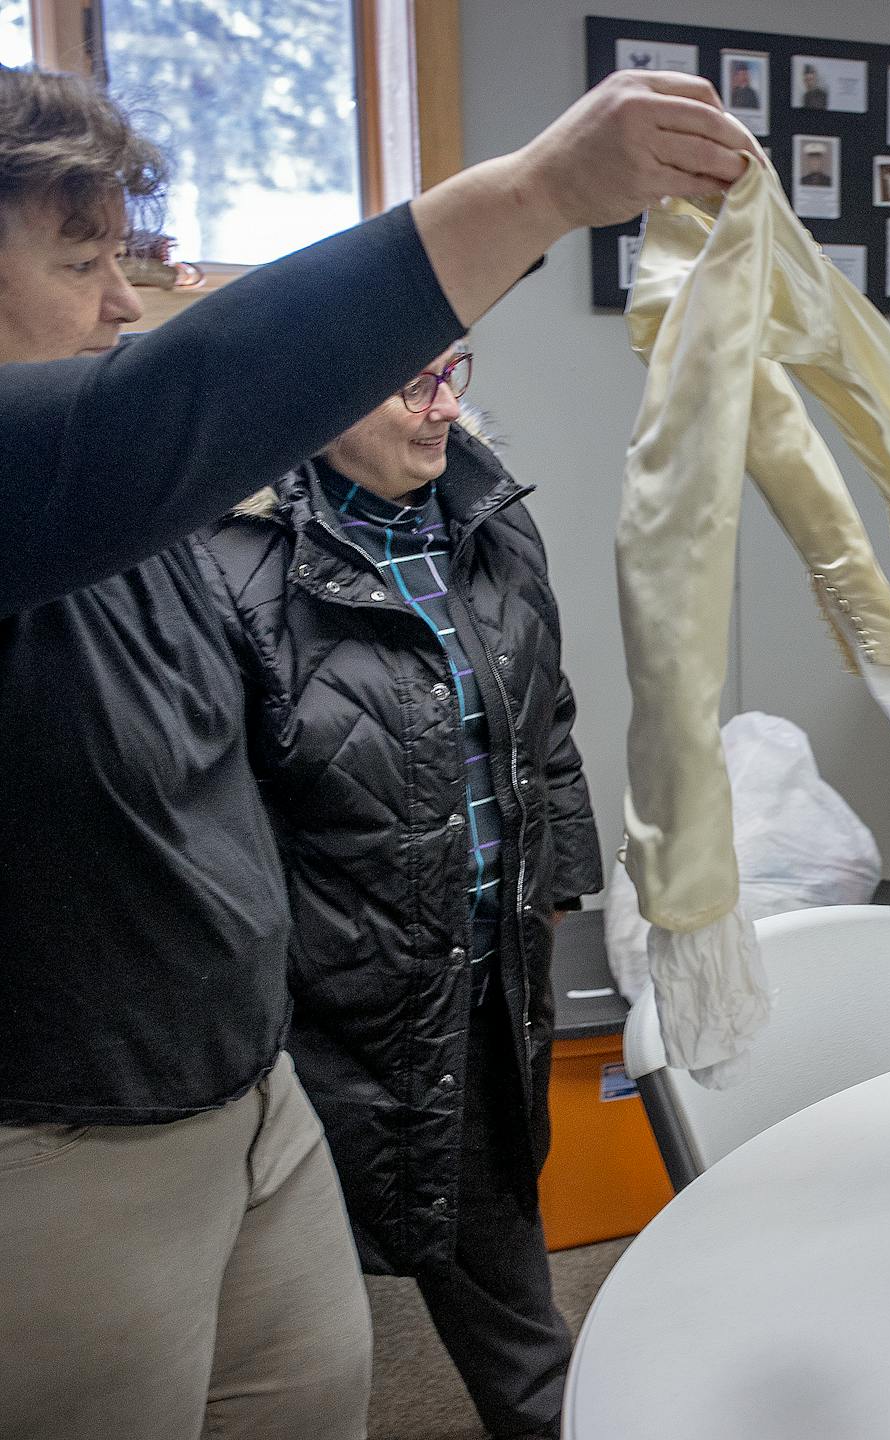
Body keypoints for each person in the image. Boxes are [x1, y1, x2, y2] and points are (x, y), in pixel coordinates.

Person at [0, 62, 754, 1440]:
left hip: (249, 1089)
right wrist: (540, 194)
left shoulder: (137, 508)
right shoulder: (57, 480)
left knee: (321, 1398)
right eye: (80, 261)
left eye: (131, 261)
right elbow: (175, 403)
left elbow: (198, 370)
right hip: (68, 1143)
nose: (120, 301)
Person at [194, 347, 603, 1438]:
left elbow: (543, 727)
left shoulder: (490, 520)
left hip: (474, 980)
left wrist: (557, 888)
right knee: (267, 1329)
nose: (448, 408)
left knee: (509, 1296)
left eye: (453, 373)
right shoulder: (227, 568)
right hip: (313, 1012)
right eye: (412, 384)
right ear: (317, 396)